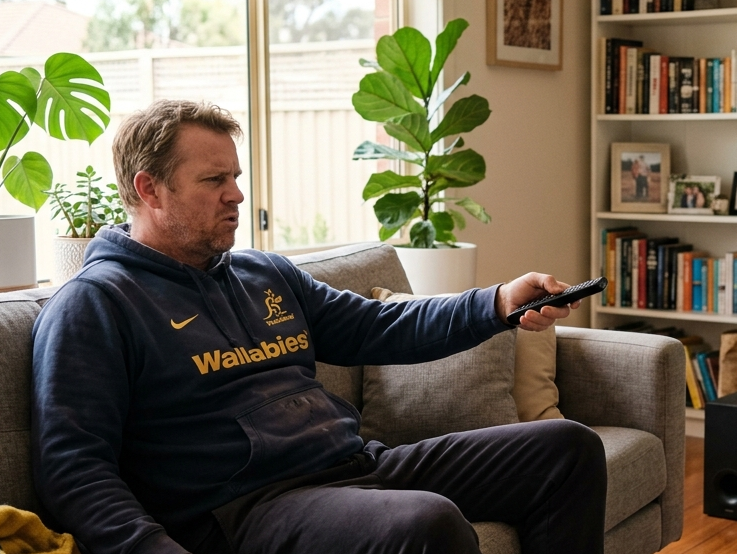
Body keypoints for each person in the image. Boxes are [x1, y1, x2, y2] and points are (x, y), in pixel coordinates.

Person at [31, 100, 604, 554]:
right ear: (148, 188)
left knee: (566, 449)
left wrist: (498, 303)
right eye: (213, 180)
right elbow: (73, 470)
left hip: (354, 465)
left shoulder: (263, 273)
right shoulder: (95, 305)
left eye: (236, 176)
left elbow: (379, 325)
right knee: (426, 523)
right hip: (245, 508)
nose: (237, 195)